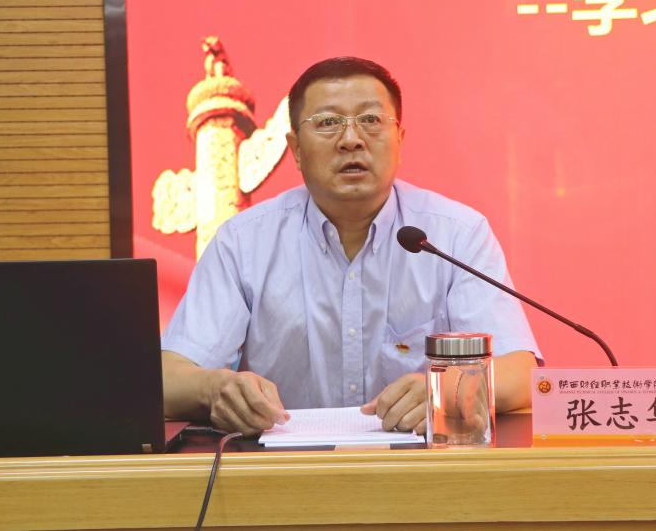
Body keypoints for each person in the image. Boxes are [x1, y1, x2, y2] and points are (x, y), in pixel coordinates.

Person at [161, 57, 541, 436]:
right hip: (282, 468)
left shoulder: (456, 234)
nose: (351, 140)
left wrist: (449, 392)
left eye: (371, 120)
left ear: (400, 139)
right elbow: (168, 378)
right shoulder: (243, 242)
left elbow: (521, 372)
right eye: (328, 123)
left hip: (422, 465)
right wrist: (216, 389)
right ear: (294, 148)